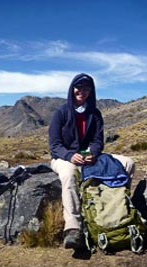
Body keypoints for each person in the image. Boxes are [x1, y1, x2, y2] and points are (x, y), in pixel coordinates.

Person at [49, 73, 135, 249]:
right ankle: (73, 227)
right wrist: (70, 156)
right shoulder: (61, 113)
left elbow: (98, 141)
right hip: (63, 157)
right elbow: (54, 144)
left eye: (86, 88)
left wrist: (93, 153)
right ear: (72, 89)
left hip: (89, 156)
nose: (82, 91)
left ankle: (121, 210)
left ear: (91, 91)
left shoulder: (94, 113)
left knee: (128, 163)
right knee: (69, 175)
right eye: (78, 87)